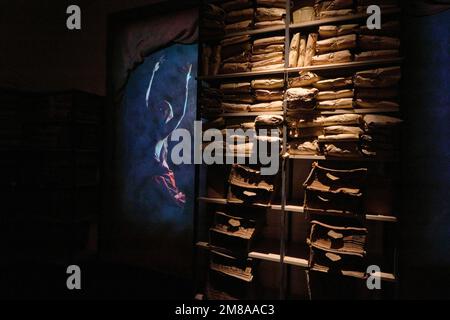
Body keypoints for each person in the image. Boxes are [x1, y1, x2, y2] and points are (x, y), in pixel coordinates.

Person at [145, 56, 192, 207]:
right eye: (160, 107)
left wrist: (186, 79)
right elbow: (145, 100)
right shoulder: (152, 129)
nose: (160, 108)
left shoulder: (161, 132)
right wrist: (152, 71)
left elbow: (180, 114)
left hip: (159, 181)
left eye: (163, 109)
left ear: (167, 116)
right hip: (153, 181)